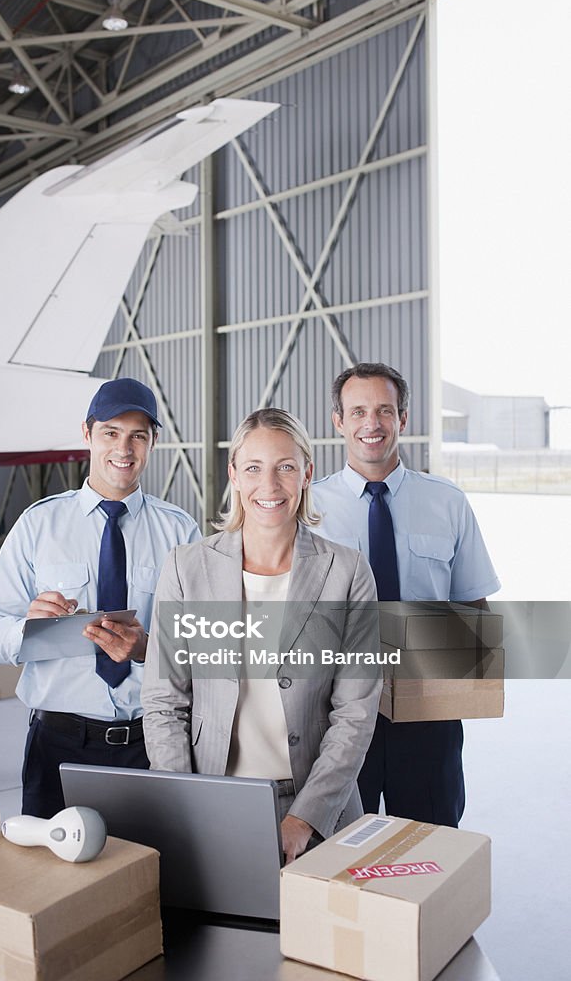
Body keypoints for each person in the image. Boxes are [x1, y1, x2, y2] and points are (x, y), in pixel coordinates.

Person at [142, 408, 381, 863]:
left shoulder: (347, 572)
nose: (269, 486)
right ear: (233, 474)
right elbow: (163, 702)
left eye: (285, 467)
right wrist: (188, 803)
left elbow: (355, 711)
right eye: (253, 468)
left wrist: (304, 819)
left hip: (321, 810)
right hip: (214, 804)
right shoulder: (186, 566)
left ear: (307, 473)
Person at [0, 378, 201, 818]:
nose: (125, 448)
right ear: (87, 434)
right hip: (58, 746)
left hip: (150, 743)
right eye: (111, 433)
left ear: (154, 441)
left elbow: (203, 645)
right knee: (56, 880)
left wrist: (146, 649)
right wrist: (28, 628)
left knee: (153, 878)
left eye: (138, 435)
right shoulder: (38, 525)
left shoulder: (180, 533)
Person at [312, 362, 500, 827]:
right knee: (336, 848)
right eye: (357, 412)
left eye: (383, 410)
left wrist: (471, 680)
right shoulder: (308, 508)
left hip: (428, 714)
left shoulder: (447, 502)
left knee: (430, 842)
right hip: (336, 714)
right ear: (338, 421)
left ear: (403, 419)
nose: (371, 424)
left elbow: (474, 607)